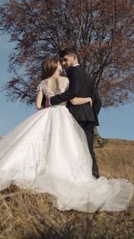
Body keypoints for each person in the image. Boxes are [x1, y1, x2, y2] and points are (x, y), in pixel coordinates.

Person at [0, 57, 134, 212]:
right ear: (56, 67)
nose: (62, 66)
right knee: (65, 147)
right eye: (59, 64)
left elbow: (38, 106)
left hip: (47, 115)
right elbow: (73, 99)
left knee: (35, 144)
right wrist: (88, 99)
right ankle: (65, 175)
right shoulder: (66, 81)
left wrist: (49, 104)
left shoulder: (43, 83)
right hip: (63, 116)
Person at [47, 48, 101, 178]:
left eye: (65, 60)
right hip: (89, 118)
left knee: (73, 147)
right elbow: (98, 101)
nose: (64, 63)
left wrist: (52, 100)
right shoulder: (88, 76)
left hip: (76, 115)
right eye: (62, 61)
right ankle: (94, 177)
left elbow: (73, 92)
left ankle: (75, 177)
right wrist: (91, 114)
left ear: (74, 58)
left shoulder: (72, 72)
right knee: (88, 149)